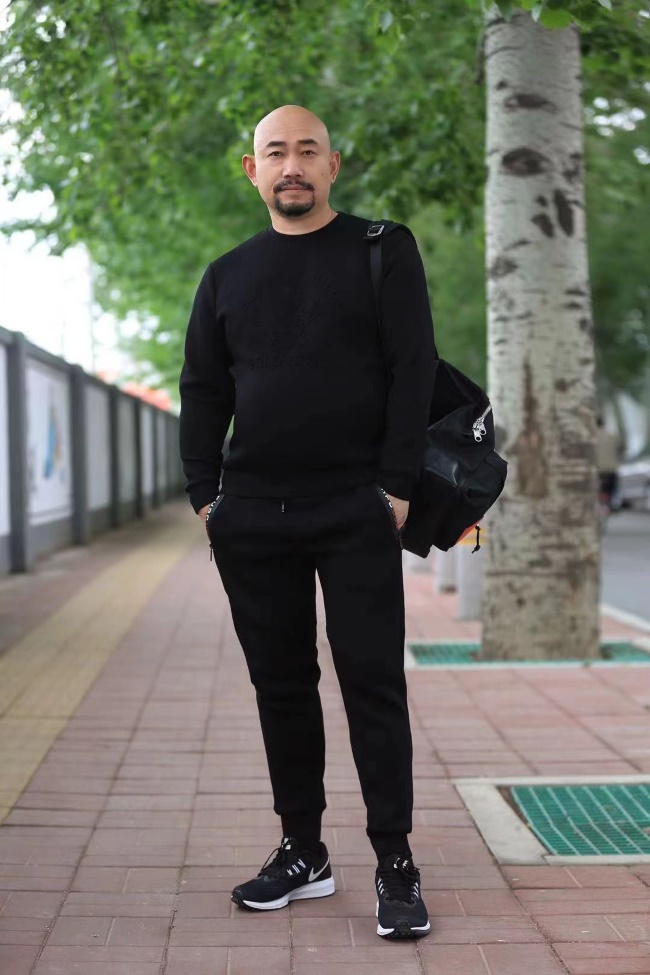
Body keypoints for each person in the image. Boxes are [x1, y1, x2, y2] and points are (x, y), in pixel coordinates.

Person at [179, 104, 436, 940]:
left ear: (333, 165)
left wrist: (396, 486)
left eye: (307, 150)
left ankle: (395, 860)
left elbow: (413, 367)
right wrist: (206, 496)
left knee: (372, 682)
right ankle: (304, 850)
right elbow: (202, 389)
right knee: (281, 686)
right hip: (253, 514)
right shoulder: (226, 274)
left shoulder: (382, 250)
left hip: (356, 505)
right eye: (275, 152)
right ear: (251, 170)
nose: (291, 165)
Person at [596, 416, 622, 513]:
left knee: (599, 491)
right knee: (610, 491)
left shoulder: (591, 437)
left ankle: (601, 508)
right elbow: (620, 450)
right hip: (611, 469)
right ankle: (609, 506)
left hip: (598, 470)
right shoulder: (612, 436)